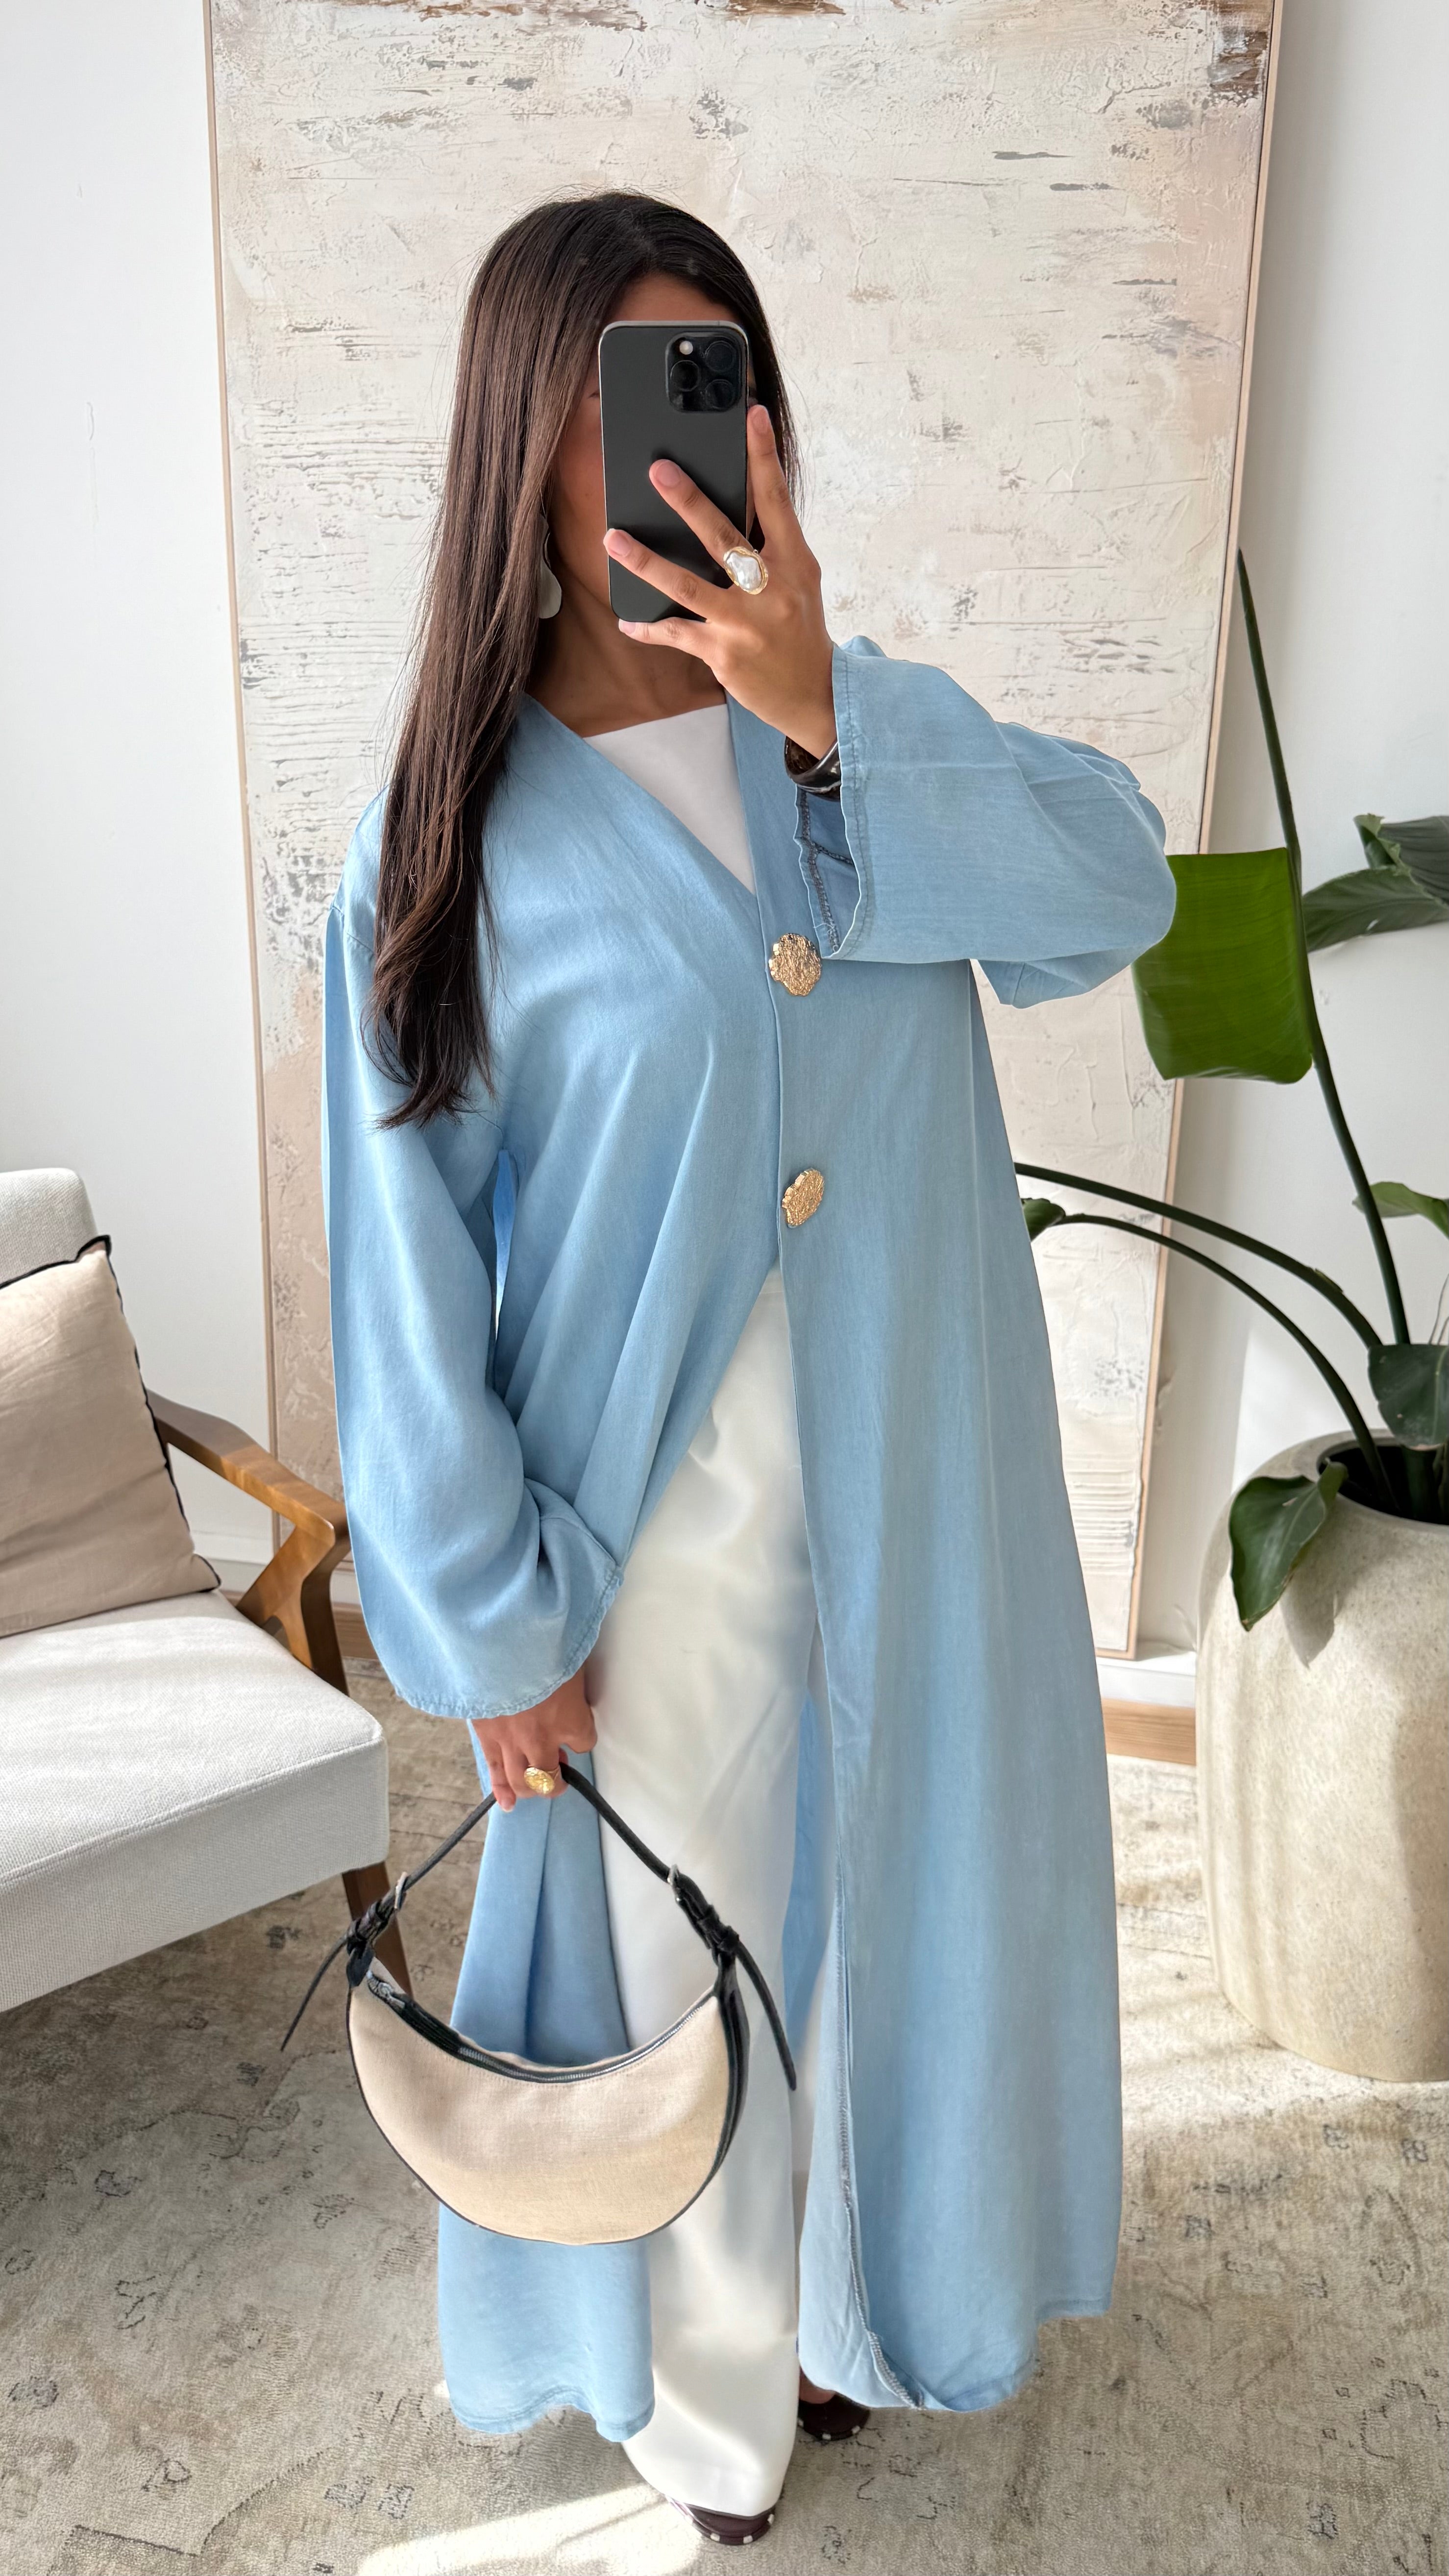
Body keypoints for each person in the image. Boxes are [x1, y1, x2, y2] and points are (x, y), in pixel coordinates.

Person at [322, 191, 1175, 2547]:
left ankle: (861, 2302)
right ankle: (711, 2420)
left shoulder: (855, 746)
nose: (683, 457)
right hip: (654, 1544)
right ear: (523, 454)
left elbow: (1117, 886)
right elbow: (405, 1283)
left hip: (919, 1487)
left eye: (723, 394)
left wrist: (828, 713)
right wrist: (489, 1622)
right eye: (623, 408)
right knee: (688, 1950)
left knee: (904, 1916)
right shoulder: (447, 842)